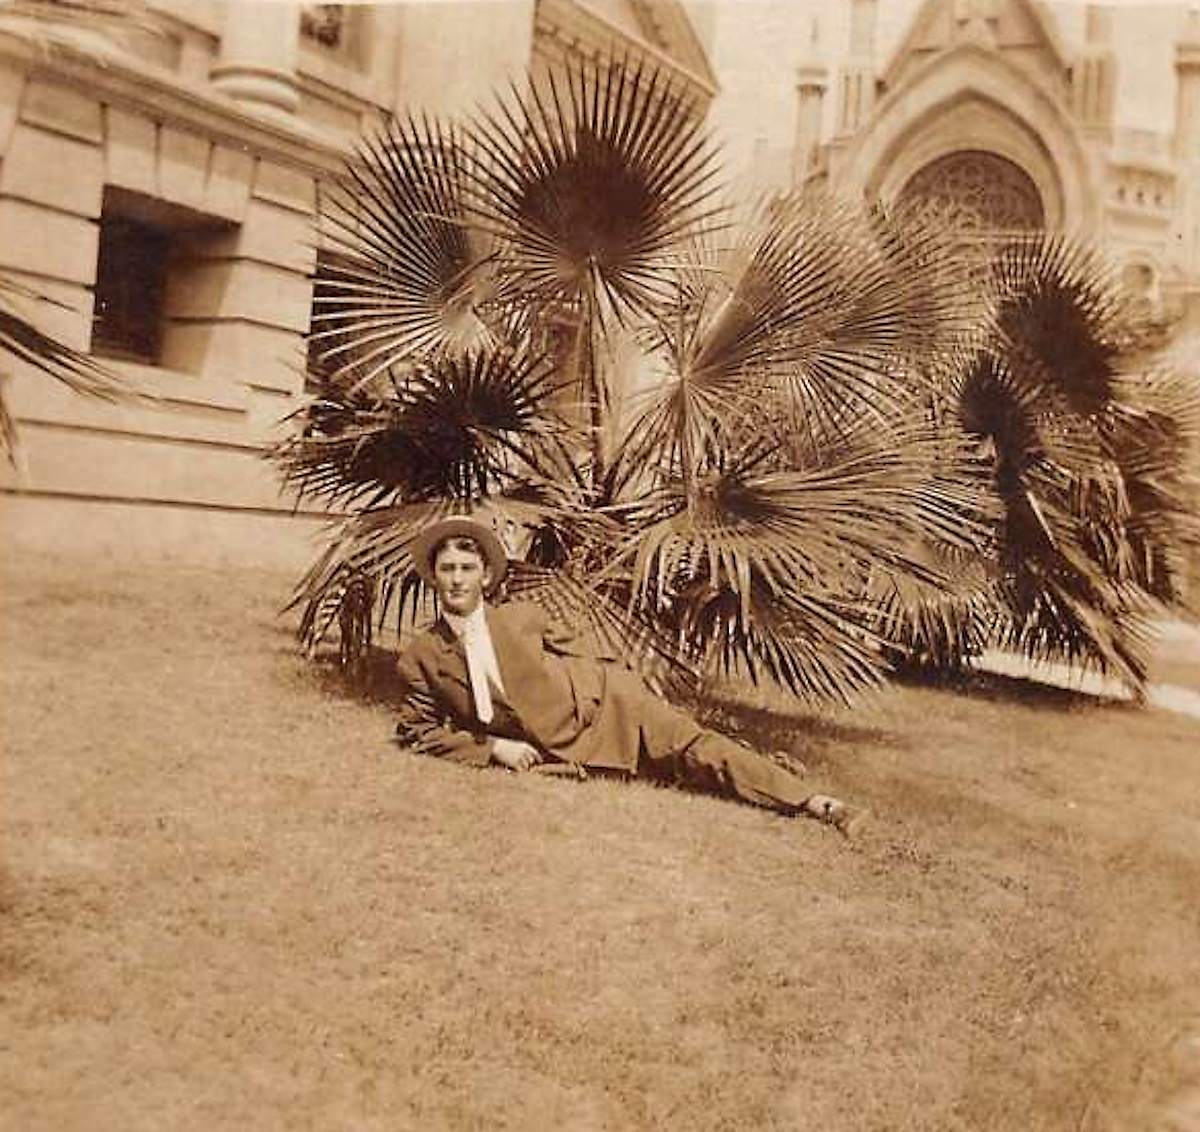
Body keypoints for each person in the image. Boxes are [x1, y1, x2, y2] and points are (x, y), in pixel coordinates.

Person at [394, 516, 863, 833]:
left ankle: (814, 802)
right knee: (687, 771)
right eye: (447, 569)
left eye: (466, 569)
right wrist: (495, 747)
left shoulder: (522, 616)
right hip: (565, 751)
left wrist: (609, 693)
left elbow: (591, 654)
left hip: (612, 709)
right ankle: (774, 772)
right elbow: (416, 732)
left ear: (484, 576)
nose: (456, 579)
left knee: (697, 750)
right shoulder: (423, 654)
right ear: (433, 576)